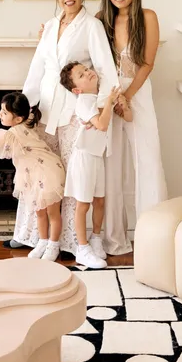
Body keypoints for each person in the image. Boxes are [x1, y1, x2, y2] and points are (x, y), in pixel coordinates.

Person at [11, 0, 119, 257]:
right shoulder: (49, 26)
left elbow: (105, 68)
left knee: (75, 177)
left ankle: (77, 241)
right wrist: (23, 106)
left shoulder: (91, 27)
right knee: (48, 176)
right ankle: (43, 238)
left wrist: (101, 106)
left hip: (75, 112)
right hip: (45, 110)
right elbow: (38, 68)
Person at [98, 0, 167, 255]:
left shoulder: (147, 17)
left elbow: (147, 63)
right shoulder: (101, 19)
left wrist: (126, 95)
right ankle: (115, 240)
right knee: (111, 167)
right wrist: (114, 97)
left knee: (147, 161)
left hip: (137, 93)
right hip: (109, 97)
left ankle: (155, 240)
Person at [0, 92, 65, 261]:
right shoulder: (26, 123)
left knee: (52, 212)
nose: (0, 114)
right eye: (1, 110)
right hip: (32, 175)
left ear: (18, 119)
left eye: (5, 112)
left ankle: (53, 245)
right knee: (39, 211)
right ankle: (42, 242)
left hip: (48, 171)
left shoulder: (13, 134)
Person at [59, 61, 125, 269]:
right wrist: (110, 103)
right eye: (81, 74)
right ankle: (83, 247)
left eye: (86, 69)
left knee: (99, 201)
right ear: (76, 89)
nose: (88, 73)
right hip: (84, 158)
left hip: (96, 156)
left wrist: (109, 103)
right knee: (83, 205)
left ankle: (96, 238)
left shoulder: (95, 100)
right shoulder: (85, 103)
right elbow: (103, 125)